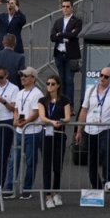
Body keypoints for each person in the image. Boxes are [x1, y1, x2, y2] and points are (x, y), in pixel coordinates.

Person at [75, 66, 110, 191]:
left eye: (106, 76)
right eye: (101, 75)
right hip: (90, 128)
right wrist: (79, 131)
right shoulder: (91, 90)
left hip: (106, 127)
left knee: (105, 150)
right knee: (91, 158)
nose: (102, 78)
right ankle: (96, 185)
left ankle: (108, 180)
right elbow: (84, 111)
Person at [4, 68, 44, 198]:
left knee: (30, 160)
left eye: (25, 76)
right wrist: (16, 120)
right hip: (19, 130)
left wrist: (25, 121)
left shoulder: (37, 94)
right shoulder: (20, 92)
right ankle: (9, 187)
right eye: (21, 76)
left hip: (32, 131)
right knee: (13, 160)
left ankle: (27, 188)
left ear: (33, 78)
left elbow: (36, 111)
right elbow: (16, 108)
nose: (22, 78)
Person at [38, 74, 72, 208]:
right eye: (48, 84)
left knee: (58, 165)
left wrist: (62, 121)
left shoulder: (64, 100)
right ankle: (47, 195)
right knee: (46, 165)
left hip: (59, 134)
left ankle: (56, 192)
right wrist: (52, 122)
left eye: (52, 84)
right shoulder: (42, 100)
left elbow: (68, 117)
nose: (50, 86)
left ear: (58, 85)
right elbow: (42, 116)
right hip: (46, 134)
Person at [50, 0, 82, 103]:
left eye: (67, 6)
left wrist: (60, 34)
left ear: (72, 8)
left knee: (69, 80)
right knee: (61, 80)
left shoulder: (77, 21)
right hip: (59, 54)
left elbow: (74, 35)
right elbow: (52, 37)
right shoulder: (58, 21)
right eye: (63, 6)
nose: (65, 8)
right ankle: (62, 104)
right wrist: (64, 35)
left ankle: (70, 105)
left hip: (71, 55)